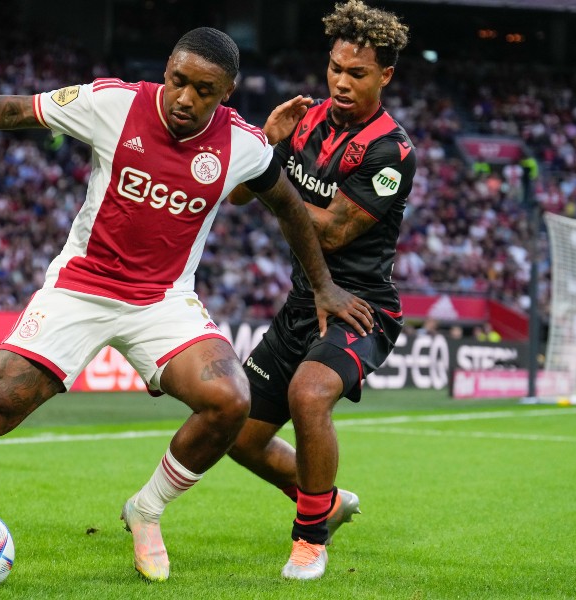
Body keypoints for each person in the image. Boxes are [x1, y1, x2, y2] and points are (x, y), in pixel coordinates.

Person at [0, 27, 374, 583]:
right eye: (178, 81)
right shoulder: (113, 104)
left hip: (163, 301)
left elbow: (289, 209)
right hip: (81, 289)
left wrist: (323, 286)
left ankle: (146, 510)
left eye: (204, 91)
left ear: (227, 92)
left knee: (230, 400)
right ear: (166, 70)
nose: (186, 99)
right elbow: (14, 110)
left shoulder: (244, 144)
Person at [226, 0, 415, 581]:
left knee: (309, 396)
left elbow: (330, 231)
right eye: (335, 67)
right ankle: (325, 502)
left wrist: (270, 176)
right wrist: (265, 143)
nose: (341, 82)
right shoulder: (305, 122)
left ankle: (309, 541)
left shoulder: (391, 151)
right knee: (239, 435)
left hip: (360, 308)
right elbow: (238, 194)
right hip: (303, 302)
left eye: (357, 73)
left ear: (385, 75)